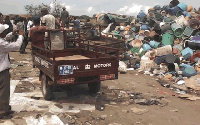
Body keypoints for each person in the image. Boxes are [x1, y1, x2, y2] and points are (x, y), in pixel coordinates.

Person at [0, 24, 24, 119]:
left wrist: (12, 34)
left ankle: (5, 107)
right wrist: (21, 36)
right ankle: (2, 112)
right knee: (3, 92)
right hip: (2, 71)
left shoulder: (1, 41)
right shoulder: (1, 44)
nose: (6, 32)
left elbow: (5, 38)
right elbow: (16, 46)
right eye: (5, 31)